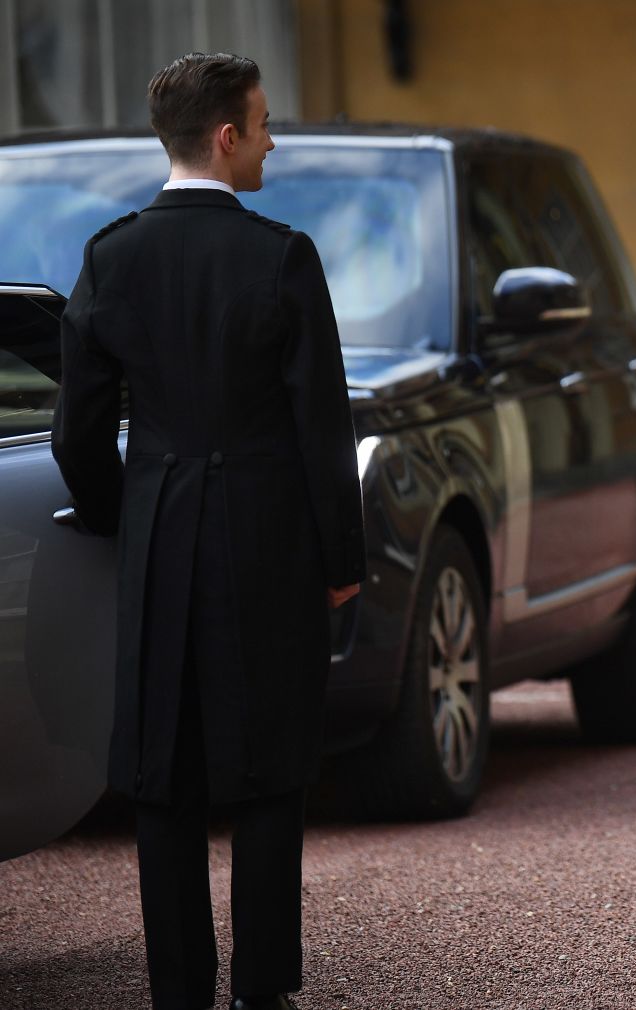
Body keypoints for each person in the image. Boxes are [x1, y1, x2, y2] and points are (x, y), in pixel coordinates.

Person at [52, 52, 365, 1010]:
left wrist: (124, 515)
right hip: (269, 542)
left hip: (160, 536)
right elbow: (322, 426)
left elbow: (76, 434)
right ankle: (262, 992)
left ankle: (178, 995)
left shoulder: (110, 255)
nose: (273, 141)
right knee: (270, 775)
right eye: (265, 124)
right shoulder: (282, 255)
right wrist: (342, 561)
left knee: (163, 778)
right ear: (226, 138)